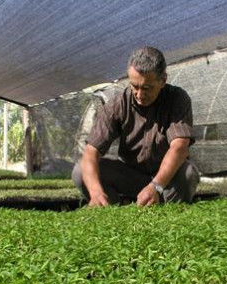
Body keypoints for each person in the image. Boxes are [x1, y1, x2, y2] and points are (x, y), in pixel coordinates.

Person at [72, 46, 199, 207]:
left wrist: (156, 186)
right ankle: (111, 206)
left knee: (188, 173)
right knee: (80, 171)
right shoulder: (117, 104)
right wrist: (96, 191)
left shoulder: (177, 99)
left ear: (163, 80)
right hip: (130, 174)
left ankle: (167, 209)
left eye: (147, 88)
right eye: (134, 86)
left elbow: (179, 147)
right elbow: (91, 152)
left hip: (166, 177)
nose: (139, 95)